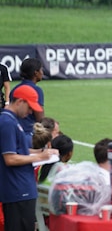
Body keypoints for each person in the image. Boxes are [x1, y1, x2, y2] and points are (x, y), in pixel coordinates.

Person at [0, 85, 56, 231]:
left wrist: (39, 153)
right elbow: (10, 158)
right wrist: (39, 157)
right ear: (19, 102)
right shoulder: (7, 123)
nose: (31, 112)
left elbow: (18, 149)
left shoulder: (11, 120)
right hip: (18, 189)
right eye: (29, 107)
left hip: (20, 188)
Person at [9, 58, 45, 148]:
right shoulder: (36, 90)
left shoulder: (15, 89)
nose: (42, 72)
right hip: (30, 134)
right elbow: (40, 118)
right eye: (41, 69)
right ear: (36, 73)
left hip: (15, 133)